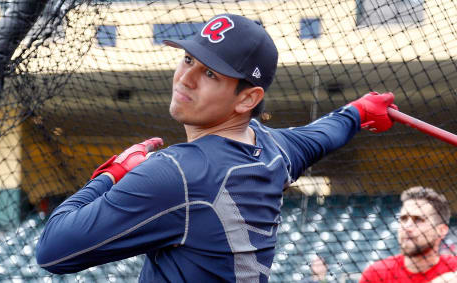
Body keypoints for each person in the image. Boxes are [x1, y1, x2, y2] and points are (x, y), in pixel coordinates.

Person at [36, 13, 397, 282]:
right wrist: (357, 112)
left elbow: (53, 251)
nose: (185, 78)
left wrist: (111, 175)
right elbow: (323, 135)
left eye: (211, 74)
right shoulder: (275, 149)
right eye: (189, 59)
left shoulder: (175, 172)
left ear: (249, 98)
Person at [360, 186, 457, 283]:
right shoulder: (376, 274)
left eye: (418, 219)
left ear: (441, 230)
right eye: (403, 219)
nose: (407, 227)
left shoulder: (454, 269)